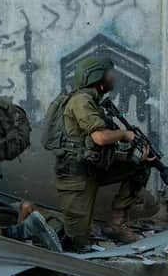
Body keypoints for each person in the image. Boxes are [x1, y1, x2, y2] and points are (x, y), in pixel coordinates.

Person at [54, 56, 152, 252]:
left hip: (93, 166)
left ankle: (116, 224)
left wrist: (133, 155)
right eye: (109, 74)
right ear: (97, 77)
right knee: (75, 242)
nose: (113, 77)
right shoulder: (81, 100)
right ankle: (32, 212)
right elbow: (99, 137)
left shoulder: (94, 101)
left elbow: (94, 144)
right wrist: (124, 134)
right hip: (76, 174)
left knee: (139, 165)